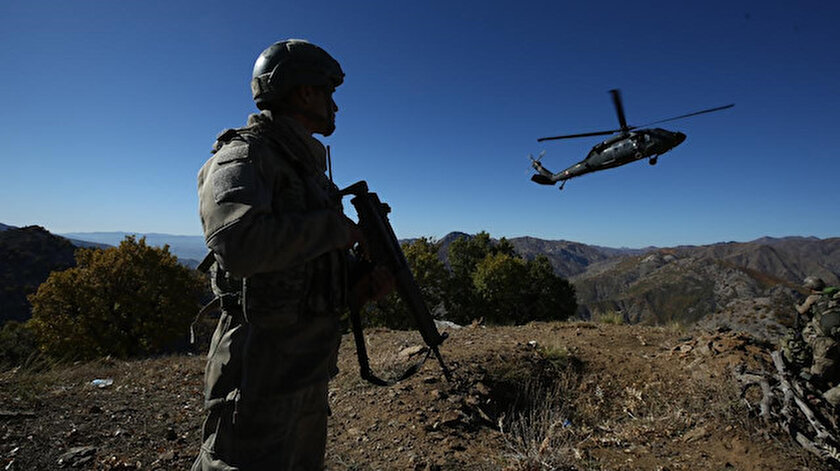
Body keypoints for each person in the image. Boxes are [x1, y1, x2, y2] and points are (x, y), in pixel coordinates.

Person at [192, 39, 390, 471]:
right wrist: (336, 229)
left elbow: (303, 263)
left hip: (306, 366)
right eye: (328, 93)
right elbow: (238, 245)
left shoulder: (307, 170)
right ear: (304, 92)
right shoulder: (244, 156)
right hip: (257, 369)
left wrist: (357, 282)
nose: (335, 106)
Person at [794, 276, 840, 407]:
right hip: (837, 337)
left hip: (825, 341)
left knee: (817, 377)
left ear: (810, 288)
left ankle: (820, 401)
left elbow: (802, 311)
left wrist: (797, 305)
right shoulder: (834, 296)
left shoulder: (813, 298)